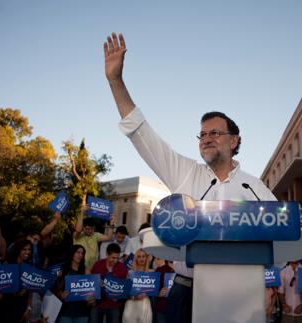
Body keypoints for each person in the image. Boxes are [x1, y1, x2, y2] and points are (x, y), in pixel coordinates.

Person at [103, 32, 276, 323]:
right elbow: (140, 132)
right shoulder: (184, 172)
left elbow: (281, 237)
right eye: (202, 134)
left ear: (233, 141)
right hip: (185, 291)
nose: (206, 139)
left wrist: (270, 283)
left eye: (215, 133)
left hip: (239, 292)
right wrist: (115, 81)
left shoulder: (254, 188)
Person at [0, 239, 33, 323]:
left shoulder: (30, 267)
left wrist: (29, 308)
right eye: (24, 249)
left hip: (20, 306)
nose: (27, 252)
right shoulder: (7, 264)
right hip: (4, 305)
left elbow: (30, 291)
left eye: (29, 249)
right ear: (18, 250)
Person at [54, 245, 93, 323]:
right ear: (72, 253)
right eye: (78, 252)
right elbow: (57, 290)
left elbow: (91, 291)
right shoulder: (63, 270)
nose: (80, 255)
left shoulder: (87, 271)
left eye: (82, 253)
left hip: (82, 311)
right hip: (66, 310)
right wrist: (61, 295)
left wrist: (91, 298)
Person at [90, 243, 128, 323]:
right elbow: (91, 283)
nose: (115, 260)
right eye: (113, 258)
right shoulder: (98, 265)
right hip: (98, 304)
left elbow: (125, 289)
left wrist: (119, 297)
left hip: (114, 306)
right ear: (107, 254)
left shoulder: (122, 268)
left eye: (117, 258)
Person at [73, 209, 115, 273]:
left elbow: (109, 237)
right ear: (83, 228)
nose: (90, 231)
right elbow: (78, 230)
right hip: (80, 268)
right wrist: (82, 213)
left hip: (93, 269)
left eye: (92, 229)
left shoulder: (95, 235)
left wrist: (111, 223)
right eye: (87, 229)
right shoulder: (78, 235)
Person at [123, 249, 153, 323]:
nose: (142, 258)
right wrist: (133, 296)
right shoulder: (130, 273)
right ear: (135, 259)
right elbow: (125, 292)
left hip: (145, 303)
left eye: (143, 256)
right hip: (131, 303)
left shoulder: (152, 273)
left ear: (146, 258)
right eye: (139, 257)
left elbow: (153, 291)